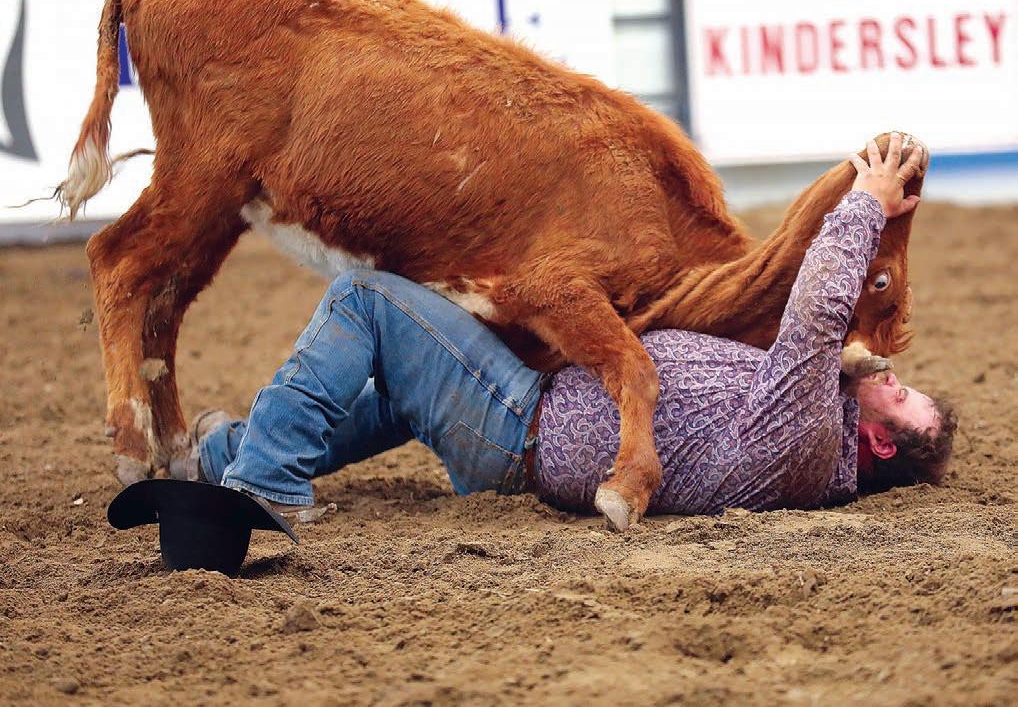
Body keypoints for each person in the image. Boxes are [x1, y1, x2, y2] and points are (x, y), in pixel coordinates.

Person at [172, 134, 955, 526]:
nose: (892, 376)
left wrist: (868, 202)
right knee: (403, 388)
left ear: (880, 443)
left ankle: (264, 480)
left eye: (902, 396)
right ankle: (221, 452)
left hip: (520, 421)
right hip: (530, 423)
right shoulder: (811, 452)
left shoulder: (809, 433)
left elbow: (816, 310)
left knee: (364, 303)